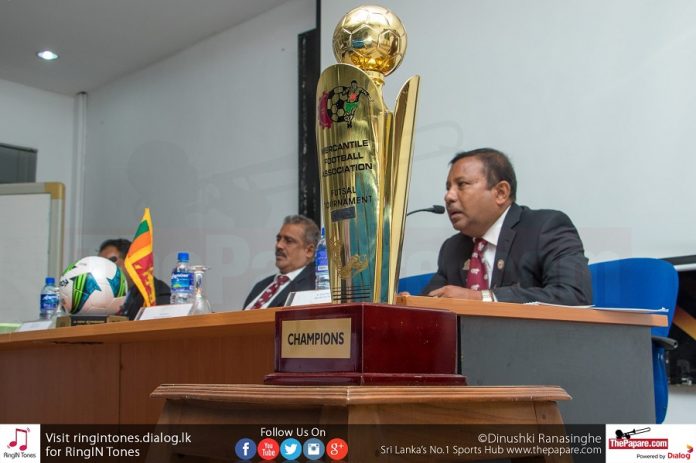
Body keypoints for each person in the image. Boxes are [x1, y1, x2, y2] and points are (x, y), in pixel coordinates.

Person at [422, 148, 592, 305]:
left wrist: (481, 298)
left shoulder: (545, 228)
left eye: (462, 185)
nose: (448, 196)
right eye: (448, 188)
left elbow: (573, 296)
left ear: (501, 193)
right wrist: (409, 302)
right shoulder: (452, 248)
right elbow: (429, 301)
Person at [243, 215, 319, 309]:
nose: (279, 245)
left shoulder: (315, 285)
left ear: (309, 251)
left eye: (289, 241)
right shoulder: (261, 285)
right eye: (278, 239)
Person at [98, 238, 171, 319]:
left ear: (130, 263)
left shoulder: (156, 291)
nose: (104, 270)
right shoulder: (99, 294)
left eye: (110, 264)